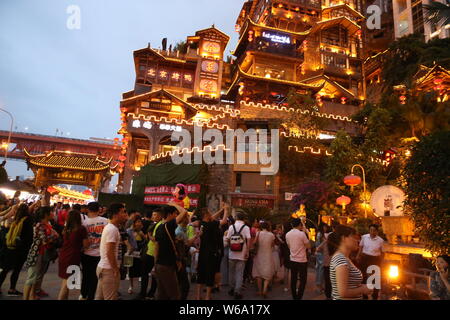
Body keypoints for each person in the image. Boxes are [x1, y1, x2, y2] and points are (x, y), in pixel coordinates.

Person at [23, 207, 59, 300]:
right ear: (46, 214)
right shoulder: (40, 225)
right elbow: (45, 241)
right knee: (32, 277)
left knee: (38, 276)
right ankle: (25, 297)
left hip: (44, 253)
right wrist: (53, 236)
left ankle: (32, 295)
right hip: (37, 253)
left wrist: (53, 236)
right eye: (51, 212)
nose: (53, 213)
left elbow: (54, 236)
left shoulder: (48, 224)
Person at [154, 202, 188, 300]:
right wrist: (174, 204)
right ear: (169, 214)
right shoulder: (169, 225)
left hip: (160, 265)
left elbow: (157, 247)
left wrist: (155, 264)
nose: (176, 216)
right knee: (175, 295)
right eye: (175, 214)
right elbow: (184, 212)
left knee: (162, 294)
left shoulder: (160, 227)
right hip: (167, 266)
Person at [328, 225, 372, 300]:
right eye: (354, 237)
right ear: (344, 238)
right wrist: (363, 289)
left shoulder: (345, 258)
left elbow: (349, 285)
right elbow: (343, 292)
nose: (357, 241)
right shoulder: (340, 259)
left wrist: (361, 286)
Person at [95, 203, 128, 300]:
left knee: (100, 297)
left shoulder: (111, 228)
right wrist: (115, 269)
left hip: (104, 267)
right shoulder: (112, 229)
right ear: (115, 214)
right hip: (108, 269)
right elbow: (109, 252)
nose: (125, 215)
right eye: (123, 212)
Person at [196, 204, 229, 300]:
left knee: (200, 274)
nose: (211, 214)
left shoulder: (201, 223)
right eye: (209, 213)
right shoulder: (212, 224)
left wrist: (221, 209)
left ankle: (198, 296)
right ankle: (207, 297)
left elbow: (212, 217)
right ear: (206, 215)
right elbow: (223, 221)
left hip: (202, 252)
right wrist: (226, 210)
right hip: (211, 253)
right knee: (210, 274)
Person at [0, 203, 33, 296]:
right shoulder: (28, 219)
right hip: (21, 249)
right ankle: (12, 289)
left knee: (6, 269)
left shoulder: (16, 219)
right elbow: (29, 237)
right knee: (16, 270)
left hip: (10, 247)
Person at [80, 201, 109, 300]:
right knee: (95, 277)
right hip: (100, 254)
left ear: (88, 209)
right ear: (99, 209)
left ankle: (83, 294)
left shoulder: (84, 223)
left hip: (86, 253)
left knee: (85, 275)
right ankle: (91, 296)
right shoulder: (105, 221)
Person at [57, 210, 89, 300]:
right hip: (73, 257)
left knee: (65, 282)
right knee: (66, 284)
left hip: (63, 256)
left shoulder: (66, 229)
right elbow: (86, 245)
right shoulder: (81, 229)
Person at [225, 210, 251, 300]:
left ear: (236, 218)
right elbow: (249, 239)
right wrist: (247, 251)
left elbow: (227, 239)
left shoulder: (231, 227)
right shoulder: (246, 227)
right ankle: (237, 291)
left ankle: (232, 288)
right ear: (243, 218)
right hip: (242, 253)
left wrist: (231, 245)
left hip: (232, 253)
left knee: (231, 272)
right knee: (240, 273)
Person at [138, 208, 164, 300]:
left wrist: (149, 235)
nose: (153, 216)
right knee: (151, 274)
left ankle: (145, 293)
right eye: (153, 215)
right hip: (150, 251)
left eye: (155, 215)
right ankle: (149, 293)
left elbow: (156, 240)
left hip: (152, 253)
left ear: (161, 215)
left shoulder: (160, 225)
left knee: (147, 273)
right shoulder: (155, 224)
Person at [356, 224, 385, 300]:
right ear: (369, 230)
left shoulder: (380, 240)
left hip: (375, 259)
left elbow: (383, 252)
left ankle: (375, 296)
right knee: (364, 277)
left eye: (374, 230)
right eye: (371, 230)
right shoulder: (364, 237)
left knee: (375, 278)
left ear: (377, 231)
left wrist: (381, 262)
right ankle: (364, 296)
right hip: (365, 258)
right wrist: (358, 255)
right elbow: (361, 247)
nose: (372, 232)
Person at [285, 218, 311, 300]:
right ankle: (299, 297)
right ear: (300, 225)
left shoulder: (287, 234)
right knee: (303, 280)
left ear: (292, 225)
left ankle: (294, 296)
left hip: (293, 259)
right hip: (302, 260)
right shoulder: (301, 234)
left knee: (293, 278)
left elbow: (289, 246)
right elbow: (308, 246)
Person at [252, 221, 275, 298]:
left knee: (258, 273)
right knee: (267, 273)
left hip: (259, 255)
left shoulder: (258, 233)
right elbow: (272, 245)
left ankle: (259, 291)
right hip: (268, 255)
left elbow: (254, 242)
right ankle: (265, 290)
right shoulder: (271, 235)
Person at [126, 217, 147, 294]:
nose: (139, 223)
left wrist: (143, 235)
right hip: (130, 253)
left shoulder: (140, 232)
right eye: (138, 222)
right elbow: (126, 241)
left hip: (139, 254)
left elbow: (145, 241)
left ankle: (141, 287)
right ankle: (131, 286)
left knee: (140, 270)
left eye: (140, 222)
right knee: (130, 271)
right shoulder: (129, 231)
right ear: (134, 223)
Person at [316, 225, 332, 299]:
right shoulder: (321, 234)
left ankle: (320, 286)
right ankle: (319, 286)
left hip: (321, 253)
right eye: (324, 227)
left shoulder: (321, 234)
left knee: (320, 269)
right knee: (321, 270)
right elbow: (319, 245)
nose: (325, 228)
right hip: (321, 254)